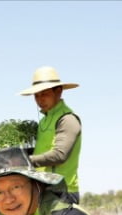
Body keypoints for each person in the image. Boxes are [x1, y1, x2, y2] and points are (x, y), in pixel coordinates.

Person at [19, 66, 82, 204]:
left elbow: (60, 155)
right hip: (43, 190)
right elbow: (42, 151)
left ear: (58, 91)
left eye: (44, 94)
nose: (40, 99)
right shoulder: (43, 121)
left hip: (63, 192)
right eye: (36, 95)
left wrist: (25, 161)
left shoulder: (67, 119)